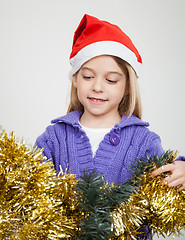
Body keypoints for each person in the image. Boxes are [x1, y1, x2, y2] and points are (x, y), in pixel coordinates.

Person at [35, 14, 185, 239]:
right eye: (88, 76)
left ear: (127, 86)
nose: (97, 87)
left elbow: (167, 195)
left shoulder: (144, 141)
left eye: (111, 80)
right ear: (75, 79)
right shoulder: (53, 139)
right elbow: (31, 195)